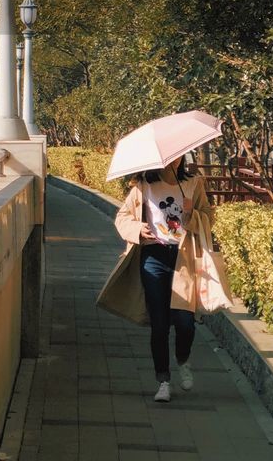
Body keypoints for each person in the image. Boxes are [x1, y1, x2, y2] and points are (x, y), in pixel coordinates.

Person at [111, 156, 215, 403]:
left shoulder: (192, 183)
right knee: (159, 322)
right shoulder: (143, 185)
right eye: (171, 158)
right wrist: (137, 229)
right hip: (153, 256)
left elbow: (209, 218)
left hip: (184, 257)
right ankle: (163, 380)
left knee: (184, 321)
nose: (175, 161)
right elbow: (122, 217)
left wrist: (193, 215)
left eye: (179, 157)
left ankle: (182, 359)